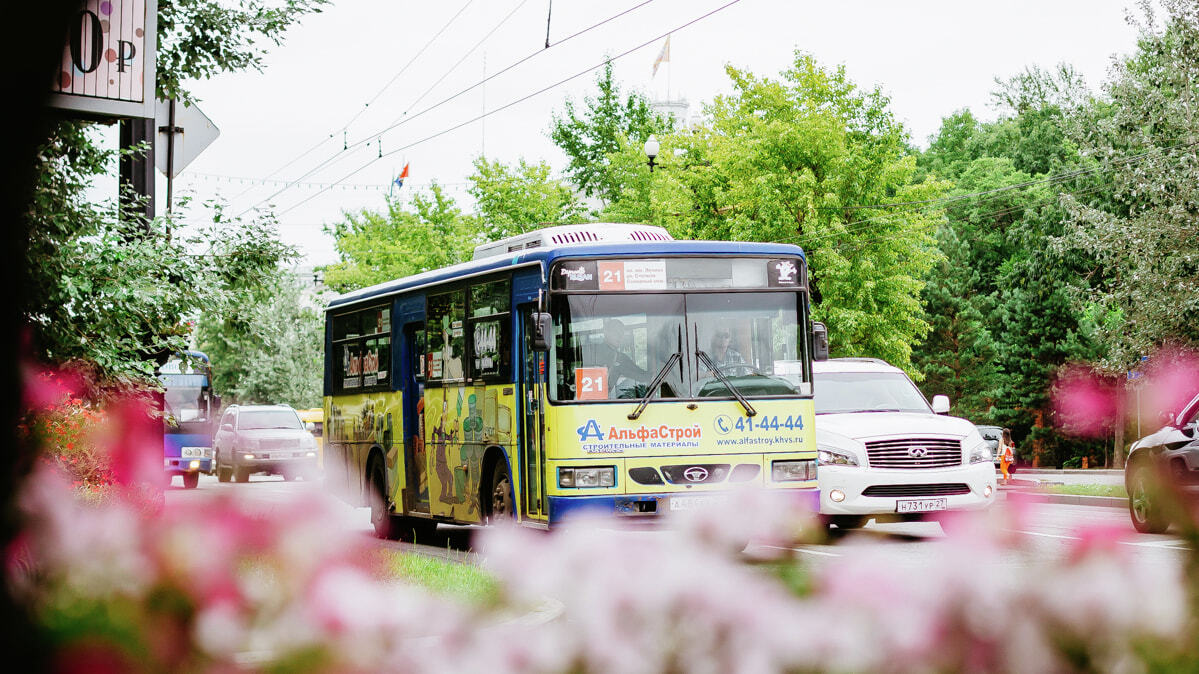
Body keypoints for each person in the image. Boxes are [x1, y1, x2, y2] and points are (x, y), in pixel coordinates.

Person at [590, 319, 649, 392]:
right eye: (616, 332)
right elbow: (643, 376)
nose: (619, 336)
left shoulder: (590, 350)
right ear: (606, 332)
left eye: (621, 333)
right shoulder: (620, 358)